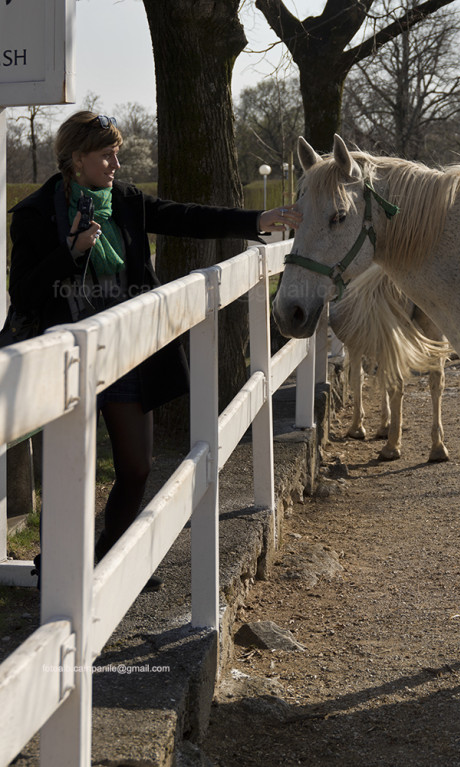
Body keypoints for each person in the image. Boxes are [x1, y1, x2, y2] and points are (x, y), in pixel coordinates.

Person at [8, 110, 302, 589]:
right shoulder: (37, 213)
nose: (116, 165)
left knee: (137, 465)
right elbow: (22, 292)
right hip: (64, 362)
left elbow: (184, 217)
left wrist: (257, 219)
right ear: (77, 158)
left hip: (126, 354)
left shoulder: (122, 201)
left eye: (117, 154)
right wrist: (71, 251)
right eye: (107, 156)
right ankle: (63, 572)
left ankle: (107, 558)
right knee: (70, 479)